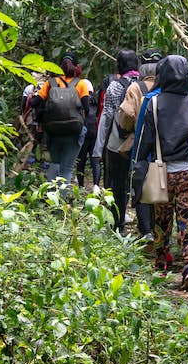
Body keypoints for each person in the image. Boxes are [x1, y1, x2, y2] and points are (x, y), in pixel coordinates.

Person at [134, 55, 188, 290]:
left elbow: (143, 142)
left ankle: (161, 263)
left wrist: (137, 170)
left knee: (161, 220)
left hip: (162, 173)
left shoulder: (154, 103)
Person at [116, 48, 164, 239]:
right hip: (167, 146)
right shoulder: (169, 87)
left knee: (141, 184)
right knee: (160, 187)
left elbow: (126, 115)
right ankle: (160, 229)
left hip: (142, 143)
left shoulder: (136, 88)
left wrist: (127, 128)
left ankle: (146, 231)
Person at [93, 50, 140, 233]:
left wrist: (98, 149)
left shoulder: (114, 87)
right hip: (139, 142)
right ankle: (146, 226)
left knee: (117, 184)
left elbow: (107, 117)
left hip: (117, 143)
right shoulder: (144, 85)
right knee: (139, 181)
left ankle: (117, 223)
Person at [29, 52, 93, 182]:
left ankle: (50, 198)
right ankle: (61, 200)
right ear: (77, 66)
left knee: (55, 163)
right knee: (66, 168)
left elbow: (34, 103)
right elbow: (87, 108)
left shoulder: (51, 83)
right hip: (74, 131)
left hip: (53, 130)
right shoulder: (80, 84)